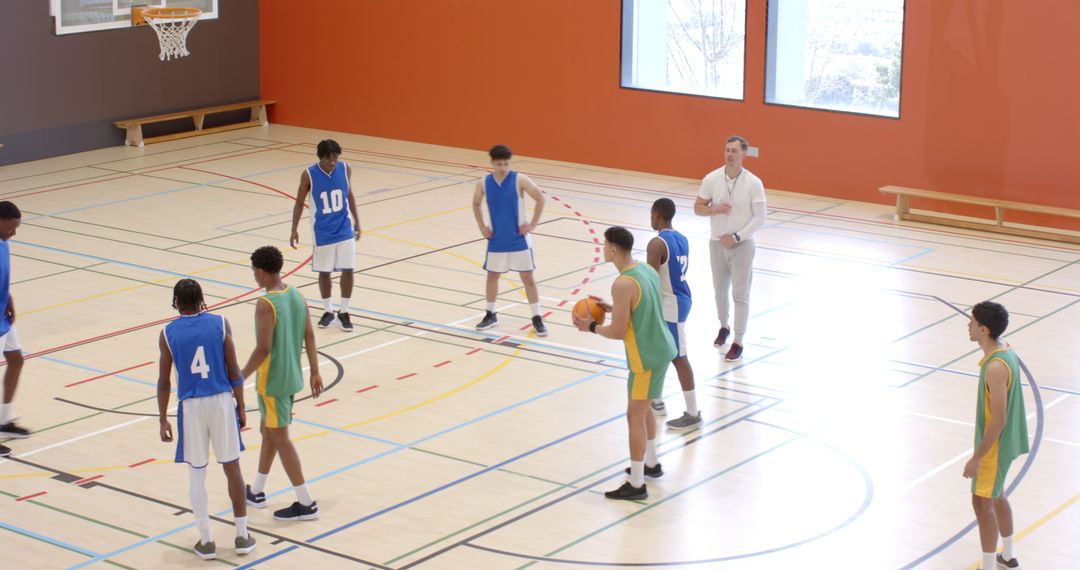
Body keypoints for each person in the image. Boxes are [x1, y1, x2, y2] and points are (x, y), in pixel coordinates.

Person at [574, 226, 676, 500]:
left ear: (612, 250)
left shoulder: (622, 284)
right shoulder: (645, 270)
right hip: (663, 347)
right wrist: (613, 307)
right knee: (645, 409)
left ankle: (637, 484)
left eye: (605, 245)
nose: (603, 249)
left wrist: (592, 327)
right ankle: (651, 463)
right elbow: (641, 304)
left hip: (646, 358)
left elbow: (618, 332)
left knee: (634, 416)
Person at [157, 279, 256, 560]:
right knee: (232, 467)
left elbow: (163, 381)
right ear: (202, 298)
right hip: (221, 400)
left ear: (176, 301)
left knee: (196, 472)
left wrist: (163, 418)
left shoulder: (167, 333)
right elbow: (234, 370)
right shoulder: (220, 323)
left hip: (191, 406)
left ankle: (207, 540)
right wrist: (241, 405)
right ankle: (242, 536)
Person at [240, 246, 324, 521]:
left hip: (272, 382)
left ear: (262, 271)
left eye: (254, 271)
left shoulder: (266, 304)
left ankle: (306, 503)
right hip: (292, 377)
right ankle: (257, 491)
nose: (254, 276)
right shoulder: (296, 294)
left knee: (281, 439)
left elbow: (263, 348)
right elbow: (309, 335)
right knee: (268, 432)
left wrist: (240, 377)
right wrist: (314, 371)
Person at [962, 301, 1029, 570]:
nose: (968, 324)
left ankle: (988, 566)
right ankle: (1008, 556)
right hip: (1006, 442)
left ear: (984, 329)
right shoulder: (1006, 350)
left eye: (972, 321)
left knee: (981, 503)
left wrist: (976, 458)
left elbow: (998, 420)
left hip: (994, 447)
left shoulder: (995, 367)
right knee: (997, 494)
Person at [694, 135, 766, 362]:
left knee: (740, 294)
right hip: (716, 243)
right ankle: (723, 326)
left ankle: (738, 340)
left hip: (742, 245)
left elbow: (760, 218)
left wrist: (737, 236)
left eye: (734, 151)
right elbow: (697, 207)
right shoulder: (712, 178)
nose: (729, 154)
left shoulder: (753, 183)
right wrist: (714, 210)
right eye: (727, 150)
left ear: (744, 154)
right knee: (719, 290)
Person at [471, 144, 548, 336]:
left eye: (506, 164)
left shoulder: (519, 179)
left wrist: (532, 224)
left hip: (519, 240)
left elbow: (540, 198)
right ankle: (490, 314)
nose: (503, 168)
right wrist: (482, 226)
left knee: (528, 278)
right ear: (492, 163)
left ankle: (537, 317)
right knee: (492, 276)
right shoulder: (483, 183)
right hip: (496, 240)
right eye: (499, 164)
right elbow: (476, 203)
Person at [290, 139, 361, 332]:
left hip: (344, 229)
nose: (333, 162)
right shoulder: (309, 174)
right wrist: (294, 229)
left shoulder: (345, 169)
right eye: (329, 159)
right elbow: (299, 203)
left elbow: (349, 195)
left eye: (336, 158)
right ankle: (328, 311)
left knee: (348, 270)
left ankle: (344, 311)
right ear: (320, 158)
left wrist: (357, 220)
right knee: (324, 272)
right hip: (322, 231)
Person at [645, 199, 701, 430]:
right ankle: (656, 400)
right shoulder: (682, 238)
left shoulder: (656, 244)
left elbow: (649, 280)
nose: (651, 218)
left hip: (672, 304)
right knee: (657, 348)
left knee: (679, 357)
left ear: (657, 214)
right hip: (678, 299)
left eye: (651, 214)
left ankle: (693, 413)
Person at [0, 201, 27, 455]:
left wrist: (8, 298)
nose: (14, 233)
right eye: (11, 227)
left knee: (16, 360)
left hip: (3, 315)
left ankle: (5, 420)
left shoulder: (3, 242)